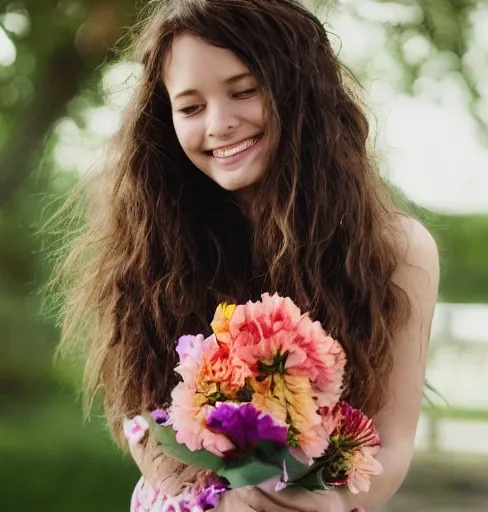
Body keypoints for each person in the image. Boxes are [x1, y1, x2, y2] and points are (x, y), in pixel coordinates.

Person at [55, 0, 440, 510]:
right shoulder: (155, 244)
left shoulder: (397, 249)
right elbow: (144, 417)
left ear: (300, 93)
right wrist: (168, 465)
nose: (219, 124)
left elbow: (391, 444)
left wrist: (333, 503)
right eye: (191, 107)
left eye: (243, 91)